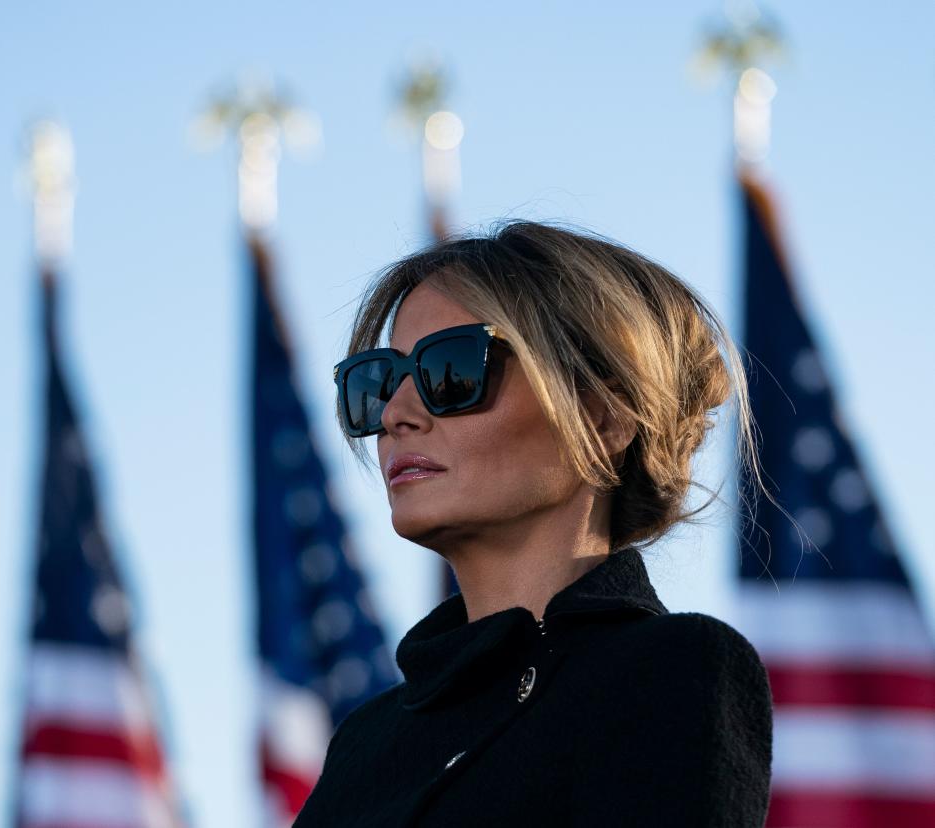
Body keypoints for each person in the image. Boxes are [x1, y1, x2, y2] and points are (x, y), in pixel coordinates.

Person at [293, 222, 775, 827]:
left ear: (604, 415)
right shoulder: (363, 742)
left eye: (452, 371)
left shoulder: (667, 671)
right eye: (381, 381)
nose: (396, 414)